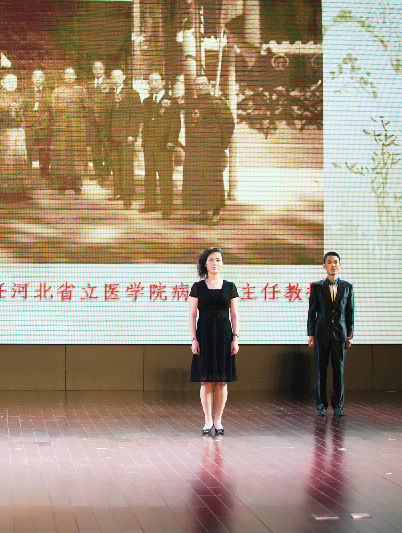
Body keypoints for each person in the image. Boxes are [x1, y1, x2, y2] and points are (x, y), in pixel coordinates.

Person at [189, 247, 239, 435]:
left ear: (222, 263)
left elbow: (235, 315)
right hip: (204, 335)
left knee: (221, 381)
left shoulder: (230, 287)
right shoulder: (198, 287)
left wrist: (235, 338)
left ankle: (218, 421)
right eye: (211, 260)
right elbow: (192, 315)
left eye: (218, 260)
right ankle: (208, 420)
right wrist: (194, 339)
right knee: (206, 381)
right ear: (205, 263)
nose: (215, 263)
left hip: (224, 335)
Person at [181, 75, 234, 222]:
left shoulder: (217, 102)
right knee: (197, 179)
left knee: (213, 179)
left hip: (212, 148)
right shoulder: (192, 104)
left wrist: (222, 145)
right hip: (195, 148)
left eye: (203, 84)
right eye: (197, 85)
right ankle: (203, 209)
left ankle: (216, 212)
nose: (200, 87)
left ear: (209, 85)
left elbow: (229, 124)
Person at [308, 252, 354, 417]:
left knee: (338, 370)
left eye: (335, 262)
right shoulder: (317, 286)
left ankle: (338, 406)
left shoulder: (347, 287)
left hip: (340, 334)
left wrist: (349, 335)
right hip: (321, 334)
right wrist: (311, 334)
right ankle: (321, 405)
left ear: (339, 265)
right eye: (329, 262)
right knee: (321, 371)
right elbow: (312, 312)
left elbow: (350, 312)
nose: (333, 265)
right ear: (324, 266)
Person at [0, 73, 31, 201]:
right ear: (2, 83)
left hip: (18, 135)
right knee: (1, 164)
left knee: (19, 163)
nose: (12, 84)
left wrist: (23, 129)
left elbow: (26, 115)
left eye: (14, 81)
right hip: (0, 135)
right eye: (8, 81)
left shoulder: (21, 98)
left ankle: (18, 193)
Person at [139, 72, 181, 218]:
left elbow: (175, 123)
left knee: (165, 176)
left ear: (163, 82)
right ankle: (150, 204)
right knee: (149, 175)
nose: (154, 83)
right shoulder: (146, 101)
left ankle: (166, 207)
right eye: (151, 81)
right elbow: (145, 121)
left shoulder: (171, 101)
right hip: (149, 143)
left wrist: (172, 141)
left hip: (164, 144)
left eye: (157, 81)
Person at [105, 69, 141, 209]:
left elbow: (136, 116)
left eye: (118, 77)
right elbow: (106, 115)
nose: (116, 80)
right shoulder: (109, 94)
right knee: (116, 165)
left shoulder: (132, 93)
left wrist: (132, 134)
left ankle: (128, 196)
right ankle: (118, 192)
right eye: (113, 77)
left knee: (127, 166)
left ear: (124, 77)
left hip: (127, 136)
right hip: (112, 136)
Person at [49, 67, 87, 193]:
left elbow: (86, 108)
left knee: (77, 155)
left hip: (77, 128)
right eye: (67, 75)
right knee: (62, 155)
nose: (69, 77)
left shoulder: (81, 90)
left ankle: (77, 184)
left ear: (75, 76)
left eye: (72, 75)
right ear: (64, 77)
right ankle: (62, 184)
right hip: (61, 129)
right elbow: (53, 109)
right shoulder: (57, 91)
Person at [24, 70, 52, 185]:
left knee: (44, 149)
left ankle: (44, 172)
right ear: (32, 78)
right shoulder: (26, 92)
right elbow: (23, 108)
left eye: (40, 77)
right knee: (28, 149)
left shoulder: (49, 92)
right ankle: (27, 173)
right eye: (35, 76)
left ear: (44, 79)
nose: (37, 79)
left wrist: (50, 124)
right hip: (29, 125)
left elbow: (51, 109)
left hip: (44, 125)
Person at [86, 61, 109, 185]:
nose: (97, 70)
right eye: (95, 68)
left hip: (106, 122)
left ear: (104, 69)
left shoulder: (110, 83)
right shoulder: (89, 84)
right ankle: (98, 172)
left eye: (100, 68)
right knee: (95, 150)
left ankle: (105, 174)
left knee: (107, 149)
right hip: (92, 122)